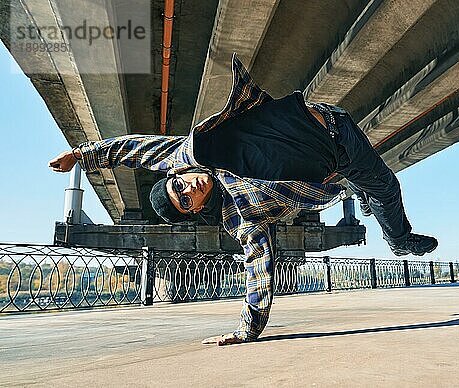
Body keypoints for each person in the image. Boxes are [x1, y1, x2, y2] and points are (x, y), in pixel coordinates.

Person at [49, 53, 437, 346]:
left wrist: (82, 153)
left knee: (375, 192)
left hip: (328, 116)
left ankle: (368, 201)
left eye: (180, 186)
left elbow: (132, 148)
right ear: (198, 210)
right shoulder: (240, 219)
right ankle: (400, 240)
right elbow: (258, 266)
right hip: (342, 155)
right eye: (186, 201)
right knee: (387, 187)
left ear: (176, 174)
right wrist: (247, 329)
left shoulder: (187, 154)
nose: (190, 189)